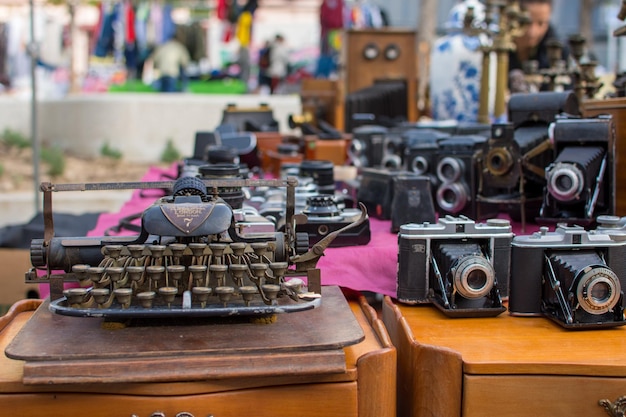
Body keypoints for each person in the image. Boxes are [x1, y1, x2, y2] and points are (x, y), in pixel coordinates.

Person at [509, 0, 568, 73]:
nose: (532, 33)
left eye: (541, 23)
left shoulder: (560, 50)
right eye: (526, 22)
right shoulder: (495, 46)